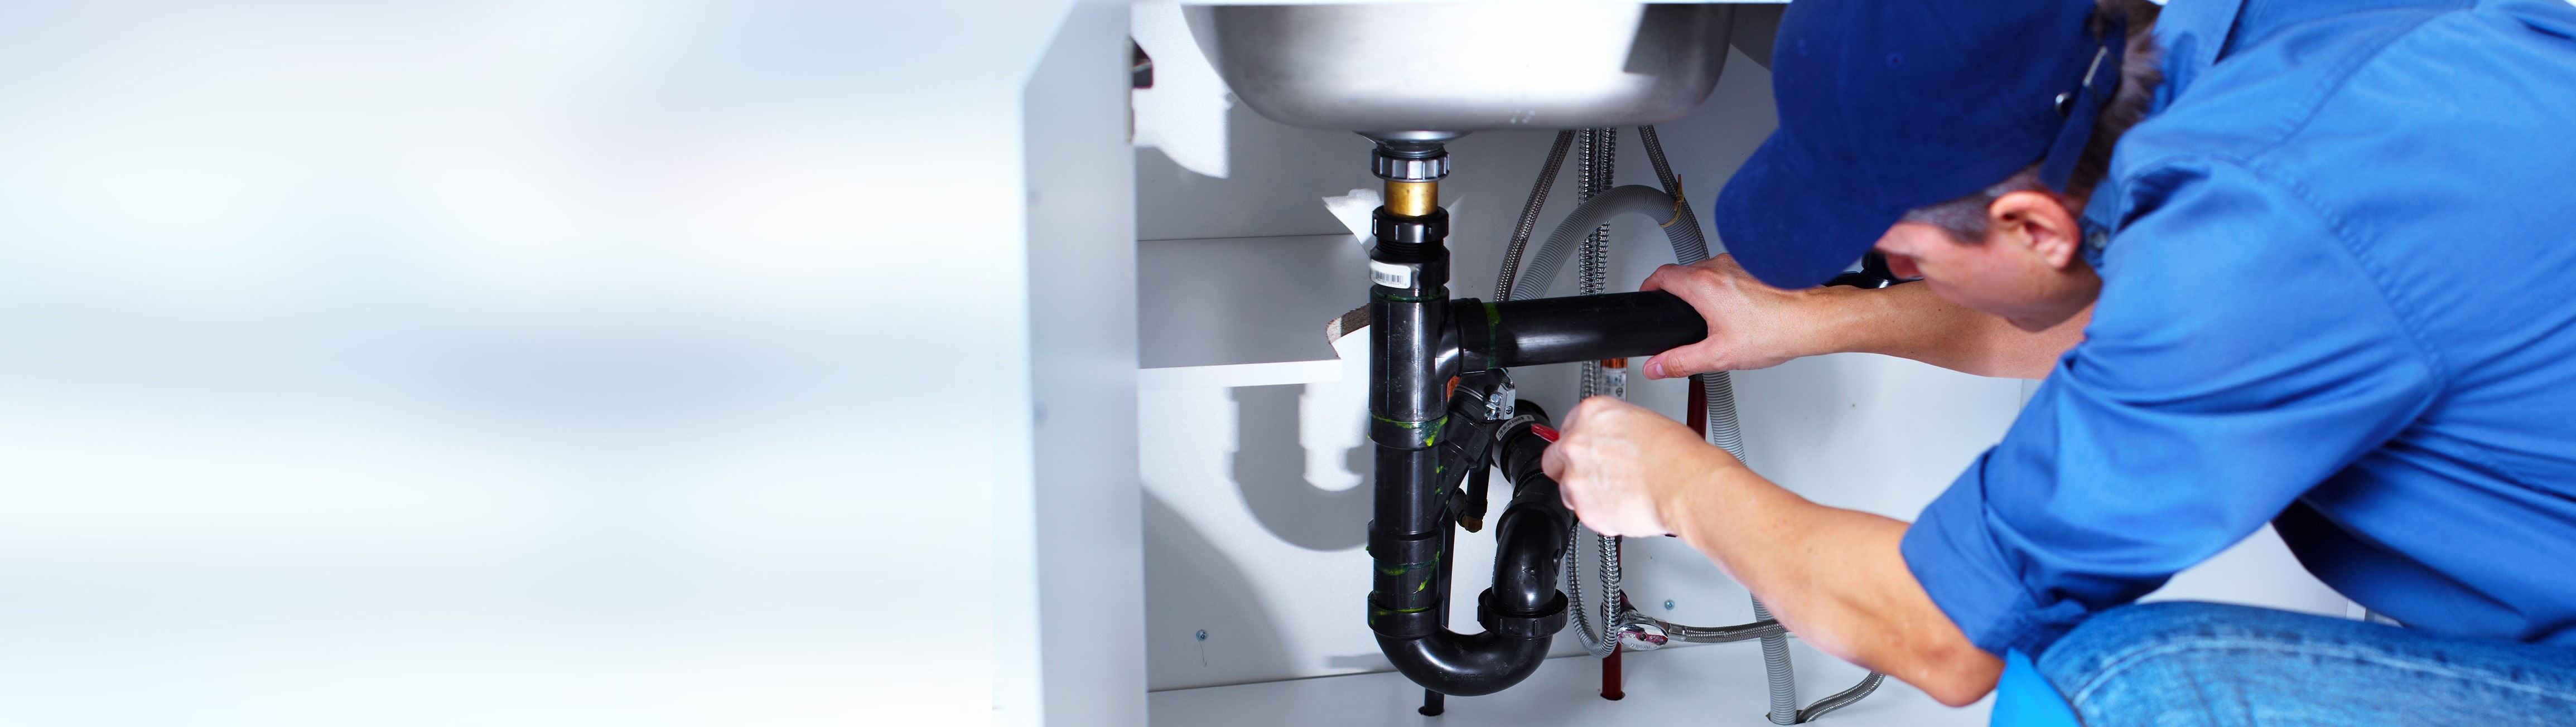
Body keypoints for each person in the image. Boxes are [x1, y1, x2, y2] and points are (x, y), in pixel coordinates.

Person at [1541, 0, 2576, 721]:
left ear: (2032, 223)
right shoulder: (2261, 55)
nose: (1891, 272)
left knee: (2117, 689)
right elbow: (2150, 329)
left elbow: (1942, 637)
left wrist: (1680, 486)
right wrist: (1814, 319)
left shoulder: (2265, 238)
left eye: (1897, 255)